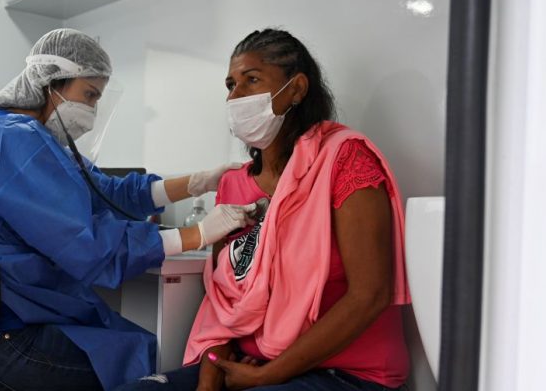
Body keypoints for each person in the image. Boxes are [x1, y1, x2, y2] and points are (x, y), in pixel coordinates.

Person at [0, 28, 257, 391]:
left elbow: (109, 194)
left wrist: (198, 181)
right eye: (88, 94)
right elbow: (90, 247)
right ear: (50, 82)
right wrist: (196, 234)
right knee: (150, 362)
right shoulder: (18, 145)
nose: (91, 109)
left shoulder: (17, 137)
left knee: (129, 345)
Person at [115, 28, 410, 391]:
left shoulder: (345, 161)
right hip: (248, 366)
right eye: (230, 85)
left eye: (251, 80)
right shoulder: (234, 184)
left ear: (297, 89)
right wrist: (210, 376)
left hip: (345, 373)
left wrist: (270, 374)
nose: (235, 96)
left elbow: (370, 296)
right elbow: (225, 301)